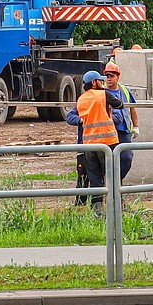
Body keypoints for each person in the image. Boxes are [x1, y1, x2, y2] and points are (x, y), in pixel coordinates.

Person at [65, 70, 122, 214]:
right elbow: (119, 105)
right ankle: (116, 208)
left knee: (95, 179)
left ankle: (97, 211)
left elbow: (75, 116)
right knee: (112, 177)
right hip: (108, 142)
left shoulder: (81, 99)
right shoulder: (103, 94)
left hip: (89, 145)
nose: (102, 83)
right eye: (100, 81)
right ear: (94, 82)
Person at [103, 60, 138, 182]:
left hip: (124, 132)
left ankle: (116, 182)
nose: (109, 79)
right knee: (109, 160)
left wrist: (136, 126)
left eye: (111, 76)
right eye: (107, 76)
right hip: (110, 132)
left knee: (126, 158)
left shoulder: (124, 90)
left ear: (118, 76)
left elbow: (132, 108)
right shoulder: (102, 92)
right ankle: (113, 187)